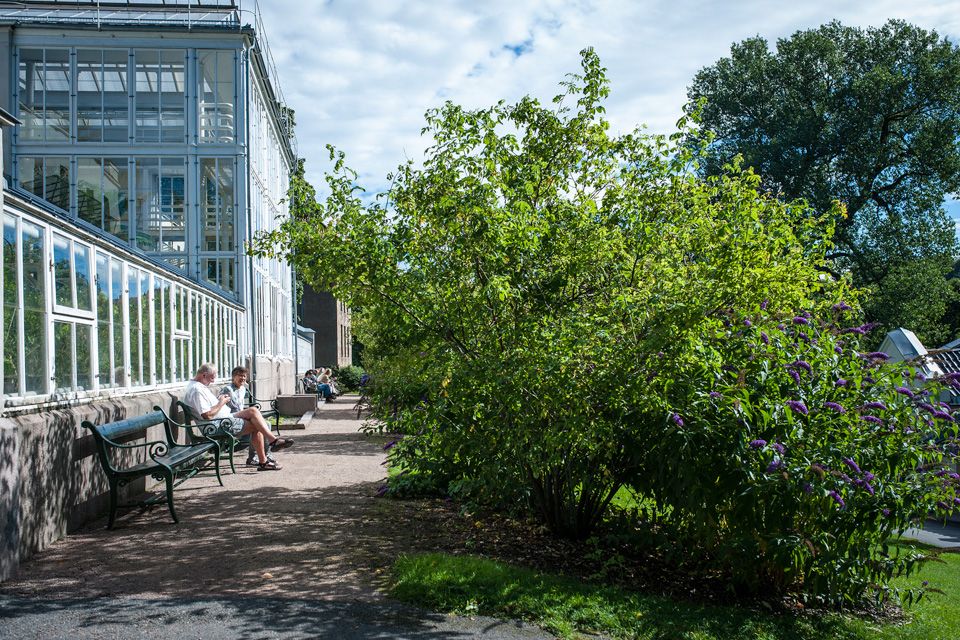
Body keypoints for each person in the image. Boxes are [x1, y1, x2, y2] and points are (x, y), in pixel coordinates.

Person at [183, 363, 293, 471]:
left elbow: (209, 409)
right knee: (257, 425)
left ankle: (272, 441)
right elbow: (207, 415)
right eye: (212, 377)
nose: (213, 381)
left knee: (253, 411)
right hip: (217, 425)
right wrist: (222, 402)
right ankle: (264, 461)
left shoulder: (198, 387)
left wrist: (221, 401)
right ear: (204, 375)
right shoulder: (197, 390)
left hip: (224, 418)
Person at [219, 365, 276, 467]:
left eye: (244, 376)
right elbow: (229, 407)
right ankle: (253, 457)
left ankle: (266, 455)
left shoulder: (243, 389)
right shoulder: (227, 389)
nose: (243, 378)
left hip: (240, 417)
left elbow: (240, 408)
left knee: (266, 424)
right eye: (240, 375)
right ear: (233, 377)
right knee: (259, 425)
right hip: (229, 420)